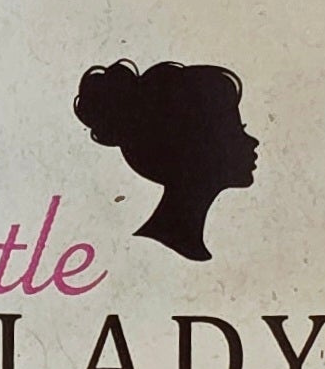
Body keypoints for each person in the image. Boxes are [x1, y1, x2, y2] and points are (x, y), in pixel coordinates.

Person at [72, 60, 260, 262]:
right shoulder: (150, 253)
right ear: (194, 149)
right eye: (234, 132)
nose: (253, 142)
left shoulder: (167, 242)